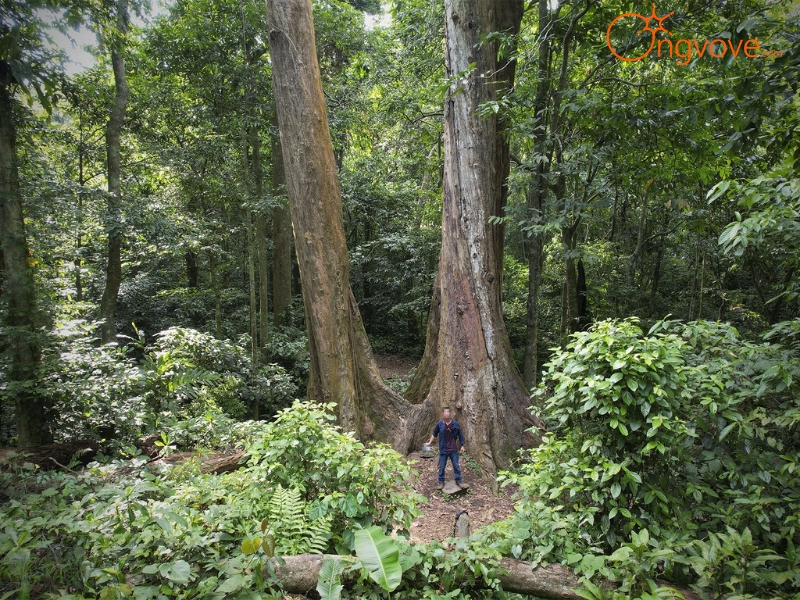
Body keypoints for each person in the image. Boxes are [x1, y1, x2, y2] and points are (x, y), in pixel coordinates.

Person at [427, 407, 466, 490]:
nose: (446, 414)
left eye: (448, 412)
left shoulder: (455, 424)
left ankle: (458, 480)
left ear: (450, 414)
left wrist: (462, 445)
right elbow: (434, 433)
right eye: (445, 412)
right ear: (443, 414)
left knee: (456, 465)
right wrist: (429, 442)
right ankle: (441, 482)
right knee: (442, 466)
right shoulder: (440, 424)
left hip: (453, 449)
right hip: (443, 449)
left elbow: (460, 434)